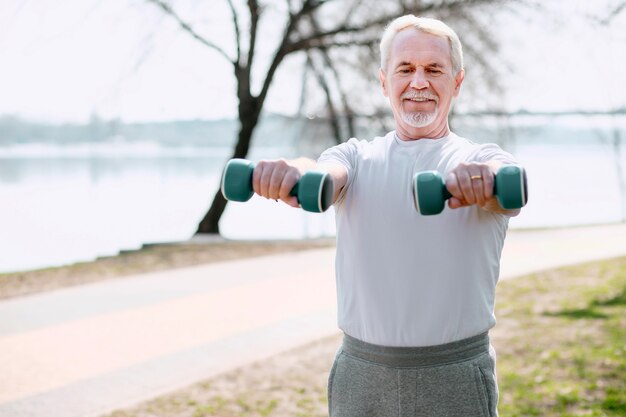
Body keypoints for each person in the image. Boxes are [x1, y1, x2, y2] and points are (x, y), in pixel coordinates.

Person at [251, 14, 521, 417]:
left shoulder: (480, 159)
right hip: (363, 375)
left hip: (455, 374)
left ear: (457, 82)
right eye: (405, 69)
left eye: (433, 69)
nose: (418, 82)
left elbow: (508, 190)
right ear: (383, 82)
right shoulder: (355, 157)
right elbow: (323, 174)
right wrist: (292, 174)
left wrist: (484, 182)